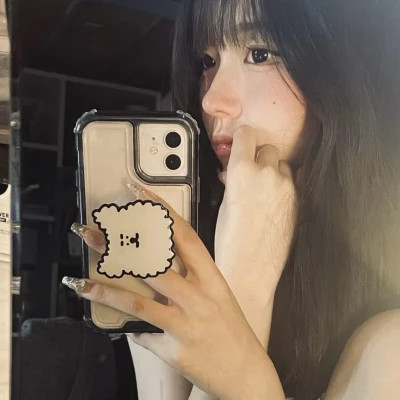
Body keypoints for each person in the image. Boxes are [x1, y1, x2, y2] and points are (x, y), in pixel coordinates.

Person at [63, 0, 400, 398]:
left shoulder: (388, 347)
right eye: (207, 61)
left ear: (345, 66)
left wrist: (242, 294)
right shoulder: (193, 258)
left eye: (259, 54)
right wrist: (229, 282)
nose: (210, 100)